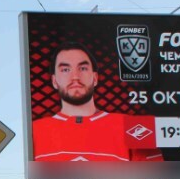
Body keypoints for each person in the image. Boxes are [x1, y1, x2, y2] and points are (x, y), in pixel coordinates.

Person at [31, 45, 162, 162]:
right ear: (54, 81)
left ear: (95, 78)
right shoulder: (34, 131)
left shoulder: (131, 126)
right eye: (65, 70)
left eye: (82, 68)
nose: (75, 76)